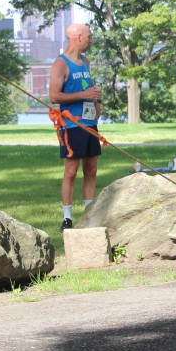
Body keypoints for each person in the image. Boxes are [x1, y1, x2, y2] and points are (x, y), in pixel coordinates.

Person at [48, 23, 102, 232]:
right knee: (71, 171)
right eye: (89, 36)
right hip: (71, 124)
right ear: (78, 37)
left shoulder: (85, 61)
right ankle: (67, 219)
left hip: (90, 123)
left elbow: (88, 88)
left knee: (91, 169)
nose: (91, 40)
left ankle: (89, 215)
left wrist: (96, 102)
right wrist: (83, 95)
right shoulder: (60, 64)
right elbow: (54, 96)